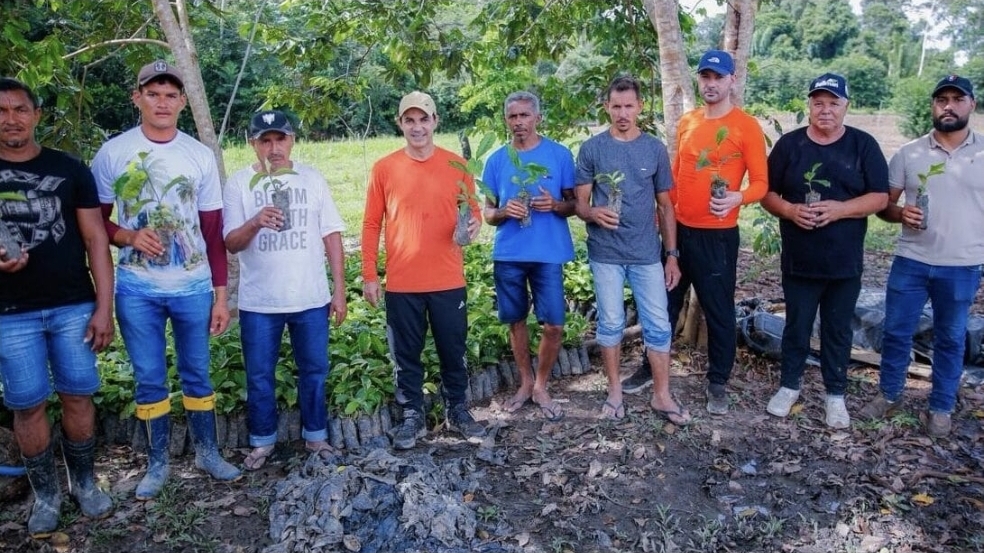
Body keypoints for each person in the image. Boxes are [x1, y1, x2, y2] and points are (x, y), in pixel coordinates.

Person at [91, 60, 240, 499]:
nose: (162, 102)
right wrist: (129, 234)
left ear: (182, 102)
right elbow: (96, 226)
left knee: (198, 372)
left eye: (170, 95)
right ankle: (157, 463)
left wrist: (220, 297)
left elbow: (212, 233)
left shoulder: (198, 155)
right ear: (137, 98)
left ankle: (207, 453)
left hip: (194, 288)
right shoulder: (114, 153)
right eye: (152, 93)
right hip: (137, 289)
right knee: (150, 376)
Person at [619, 50, 768, 416]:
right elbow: (674, 170)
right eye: (706, 77)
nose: (711, 84)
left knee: (718, 311)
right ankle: (650, 369)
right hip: (677, 233)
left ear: (732, 80)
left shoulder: (746, 126)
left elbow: (762, 183)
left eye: (718, 77)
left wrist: (738, 196)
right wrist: (662, 212)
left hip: (717, 236)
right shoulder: (688, 121)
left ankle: (717, 382)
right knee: (661, 305)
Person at [0, 77, 114, 537]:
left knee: (78, 394)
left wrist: (103, 308)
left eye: (20, 109)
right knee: (27, 405)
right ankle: (46, 493)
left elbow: (96, 240)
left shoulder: (69, 170)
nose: (11, 119)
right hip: (10, 314)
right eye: (2, 111)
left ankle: (84, 482)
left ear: (36, 114)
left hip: (72, 307)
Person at [761, 73, 888, 429]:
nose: (826, 110)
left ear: (846, 106)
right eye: (818, 103)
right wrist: (789, 210)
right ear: (810, 106)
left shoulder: (863, 145)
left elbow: (880, 197)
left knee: (837, 329)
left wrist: (839, 209)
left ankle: (835, 395)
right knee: (797, 326)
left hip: (844, 262)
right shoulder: (790, 145)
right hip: (800, 259)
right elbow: (766, 192)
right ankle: (789, 386)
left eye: (833, 103)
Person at [361, 91, 487, 449]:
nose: (417, 127)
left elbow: (472, 213)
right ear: (400, 123)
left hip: (447, 279)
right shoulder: (384, 168)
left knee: (452, 348)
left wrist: (473, 226)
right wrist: (370, 275)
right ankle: (412, 415)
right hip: (403, 282)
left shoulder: (457, 166)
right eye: (410, 120)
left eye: (424, 119)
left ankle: (458, 409)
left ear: (435, 122)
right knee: (406, 354)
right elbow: (372, 224)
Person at [860, 75, 983, 437]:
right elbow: (885, 204)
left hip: (962, 264)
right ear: (933, 106)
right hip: (912, 259)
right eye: (941, 99)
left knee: (951, 336)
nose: (948, 105)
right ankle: (890, 394)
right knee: (897, 331)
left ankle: (941, 406)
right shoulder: (910, 153)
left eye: (957, 99)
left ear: (971, 105)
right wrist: (900, 213)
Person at [223, 110, 347, 469]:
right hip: (260, 302)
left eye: (280, 139)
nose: (273, 148)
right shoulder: (239, 184)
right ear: (252, 144)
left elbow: (332, 234)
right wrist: (256, 220)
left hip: (310, 297)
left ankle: (316, 436)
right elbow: (231, 242)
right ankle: (262, 442)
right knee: (259, 374)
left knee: (314, 369)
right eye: (265, 140)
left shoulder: (311, 178)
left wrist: (338, 290)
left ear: (292, 140)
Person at [574, 75, 690, 425]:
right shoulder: (593, 149)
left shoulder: (653, 149)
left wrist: (672, 255)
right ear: (607, 107)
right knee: (609, 324)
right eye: (616, 106)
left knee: (658, 325)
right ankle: (614, 392)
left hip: (646, 254)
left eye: (629, 106)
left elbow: (666, 207)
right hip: (605, 252)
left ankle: (662, 395)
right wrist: (593, 212)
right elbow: (579, 204)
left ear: (640, 107)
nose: (623, 113)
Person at [482, 91, 576, 421]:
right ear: (506, 120)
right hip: (509, 253)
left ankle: (541, 384)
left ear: (537, 118)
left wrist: (556, 206)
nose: (519, 122)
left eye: (525, 115)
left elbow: (573, 205)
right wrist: (504, 211)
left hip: (548, 252)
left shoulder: (559, 155)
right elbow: (488, 214)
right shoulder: (496, 160)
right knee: (516, 319)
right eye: (512, 116)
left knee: (554, 324)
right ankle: (525, 382)